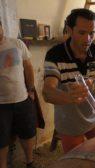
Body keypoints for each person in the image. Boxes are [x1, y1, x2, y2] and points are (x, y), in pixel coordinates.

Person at [43, 8, 95, 153]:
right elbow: (47, 92)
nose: (88, 39)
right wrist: (70, 97)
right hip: (70, 122)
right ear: (69, 30)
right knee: (77, 161)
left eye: (92, 33)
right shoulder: (55, 55)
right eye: (82, 33)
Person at [0, 20, 37, 168]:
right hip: (0, 105)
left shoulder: (17, 44)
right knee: (1, 140)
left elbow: (28, 67)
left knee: (28, 133)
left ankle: (30, 162)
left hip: (22, 99)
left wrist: (31, 90)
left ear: (2, 27)